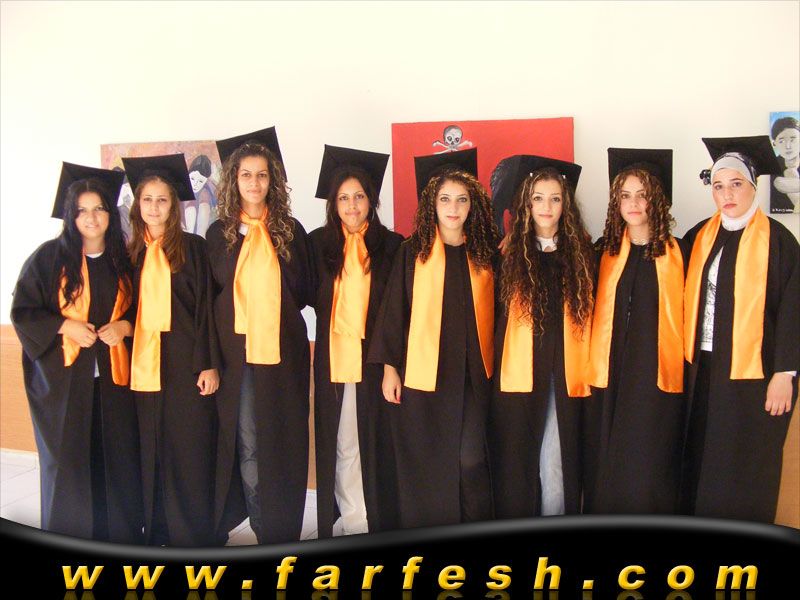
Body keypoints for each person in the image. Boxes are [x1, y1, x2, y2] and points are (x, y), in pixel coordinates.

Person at [11, 162, 143, 542]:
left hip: (116, 381)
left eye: (99, 208)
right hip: (65, 382)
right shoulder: (49, 258)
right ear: (71, 215)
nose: (91, 217)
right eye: (82, 210)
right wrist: (65, 326)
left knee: (116, 460)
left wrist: (124, 327)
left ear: (110, 213)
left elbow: (143, 311)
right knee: (68, 463)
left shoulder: (124, 260)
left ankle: (119, 539)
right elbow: (24, 311)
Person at [368, 148, 499, 529]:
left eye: (461, 199)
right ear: (432, 204)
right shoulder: (413, 252)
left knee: (471, 459)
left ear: (472, 204)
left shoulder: (487, 253)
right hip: (426, 378)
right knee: (429, 461)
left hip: (473, 377)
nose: (453, 208)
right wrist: (390, 368)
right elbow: (395, 311)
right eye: (445, 199)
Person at [681, 135, 799, 523]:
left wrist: (785, 373)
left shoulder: (780, 241)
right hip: (700, 368)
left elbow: (793, 310)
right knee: (700, 454)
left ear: (753, 185)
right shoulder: (699, 236)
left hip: (755, 375)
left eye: (736, 184)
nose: (727, 194)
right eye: (718, 186)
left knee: (743, 460)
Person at [206, 127, 314, 544]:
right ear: (234, 180)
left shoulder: (290, 231)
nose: (254, 183)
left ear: (273, 180)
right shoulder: (219, 234)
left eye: (262, 175)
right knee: (248, 441)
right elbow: (210, 301)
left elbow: (304, 291)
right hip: (237, 358)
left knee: (283, 442)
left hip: (283, 355)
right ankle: (262, 526)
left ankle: (283, 529)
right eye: (246, 174)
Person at [122, 154, 221, 546]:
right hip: (143, 366)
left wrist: (208, 364)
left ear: (174, 206)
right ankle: (157, 529)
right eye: (147, 199)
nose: (154, 207)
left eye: (162, 200)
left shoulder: (194, 249)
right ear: (137, 205)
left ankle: (192, 535)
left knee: (188, 450)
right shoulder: (130, 253)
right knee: (151, 449)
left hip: (185, 364)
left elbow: (207, 311)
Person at [489, 155, 595, 518]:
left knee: (554, 464)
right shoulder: (507, 256)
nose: (546, 207)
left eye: (554, 198)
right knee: (518, 464)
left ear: (566, 205)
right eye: (538, 198)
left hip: (562, 377)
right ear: (526, 204)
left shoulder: (583, 256)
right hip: (517, 377)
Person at [309, 145, 403, 537]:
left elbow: (399, 311)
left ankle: (379, 521)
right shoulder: (317, 245)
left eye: (359, 196)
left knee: (377, 444)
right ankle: (355, 521)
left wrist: (392, 364)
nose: (352, 206)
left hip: (377, 358)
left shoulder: (393, 246)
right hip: (334, 356)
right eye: (343, 198)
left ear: (371, 200)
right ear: (333, 204)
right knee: (344, 441)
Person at [586, 148, 686, 514]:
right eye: (625, 195)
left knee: (650, 459)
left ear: (656, 199)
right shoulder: (602, 252)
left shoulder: (681, 253)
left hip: (655, 376)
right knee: (607, 458)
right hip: (609, 373)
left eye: (642, 194)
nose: (633, 203)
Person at [769, 116, 799, 213]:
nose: (788, 146)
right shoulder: (772, 164)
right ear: (774, 144)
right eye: (781, 141)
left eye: (793, 140)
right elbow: (779, 184)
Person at [185, 153, 219, 236]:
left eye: (200, 181)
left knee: (204, 205)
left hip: (203, 230)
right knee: (191, 209)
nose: (195, 184)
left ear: (206, 181)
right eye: (192, 178)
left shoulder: (207, 191)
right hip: (186, 228)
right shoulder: (183, 186)